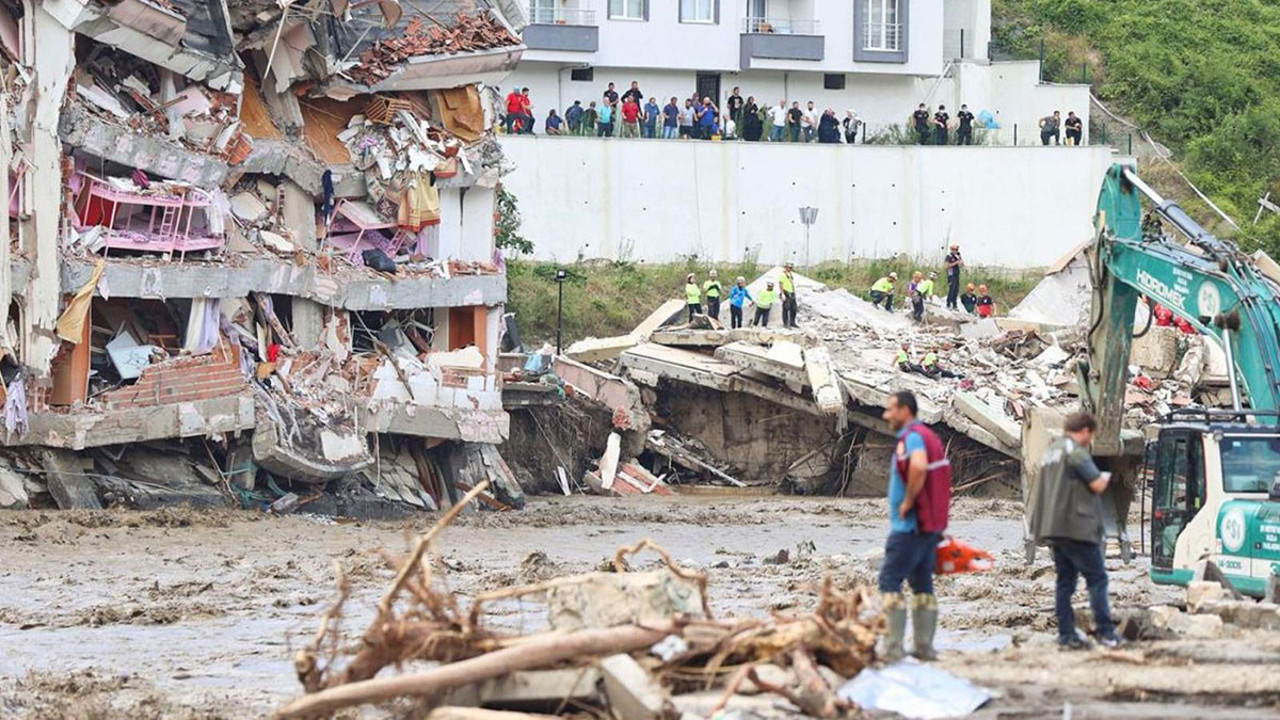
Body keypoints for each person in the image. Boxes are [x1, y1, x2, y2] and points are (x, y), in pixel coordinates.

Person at [1026, 410, 1122, 650]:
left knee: (1065, 582)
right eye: (1090, 437)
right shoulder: (1075, 452)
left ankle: (1066, 634)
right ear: (1085, 431)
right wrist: (1108, 475)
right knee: (1097, 579)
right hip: (1077, 528)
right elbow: (1097, 484)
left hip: (1052, 528)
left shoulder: (1049, 453)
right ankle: (1106, 632)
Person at [879, 390, 951, 662]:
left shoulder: (913, 438)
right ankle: (924, 647)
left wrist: (907, 501)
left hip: (910, 526)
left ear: (905, 410)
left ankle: (893, 648)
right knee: (922, 584)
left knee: (889, 580)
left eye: (890, 409)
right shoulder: (930, 436)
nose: (886, 415)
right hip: (929, 527)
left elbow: (918, 467)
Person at [944, 244, 963, 310]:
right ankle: (948, 303)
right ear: (952, 250)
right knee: (951, 289)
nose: (956, 251)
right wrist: (955, 263)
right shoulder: (949, 256)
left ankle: (954, 304)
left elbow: (961, 264)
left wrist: (961, 263)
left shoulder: (958, 256)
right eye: (955, 249)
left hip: (957, 274)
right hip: (951, 274)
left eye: (957, 249)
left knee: (956, 290)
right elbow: (946, 266)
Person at [780, 262, 798, 327]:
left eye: (791, 268)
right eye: (789, 267)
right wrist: (782, 293)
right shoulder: (783, 274)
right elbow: (781, 284)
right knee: (786, 308)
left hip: (792, 293)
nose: (790, 269)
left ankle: (792, 322)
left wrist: (794, 292)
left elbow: (792, 284)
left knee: (794, 309)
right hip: (786, 292)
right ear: (786, 267)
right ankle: (786, 323)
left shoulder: (790, 274)